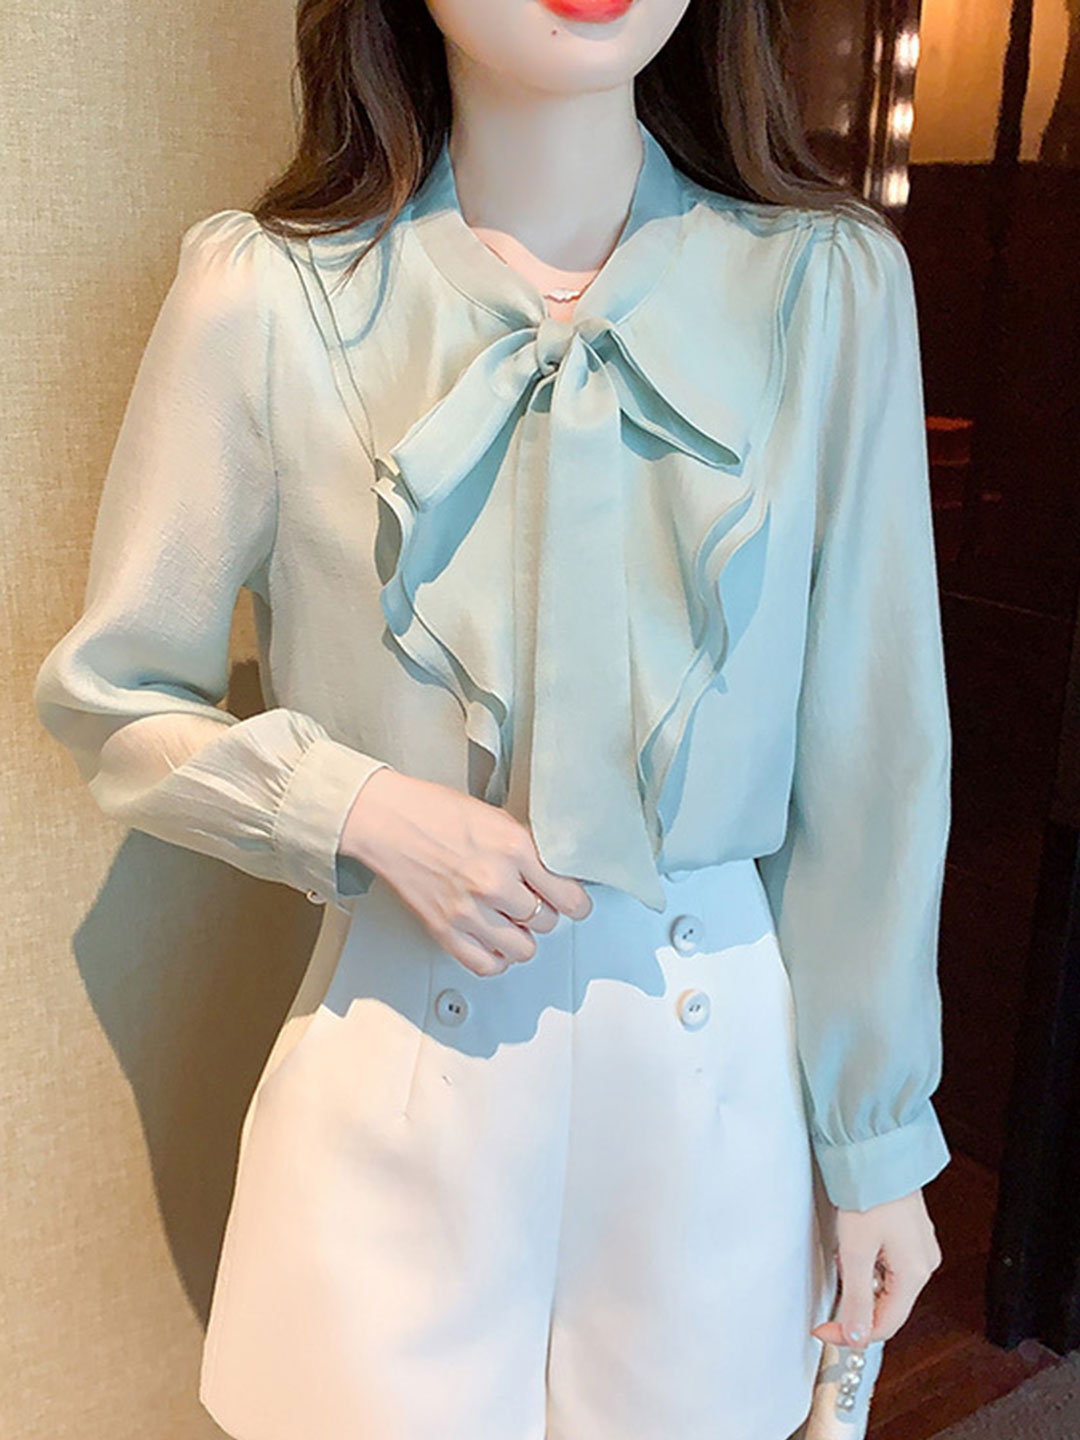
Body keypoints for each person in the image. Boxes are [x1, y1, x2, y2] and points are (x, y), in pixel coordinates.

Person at [32, 0, 950, 1436]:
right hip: (402, 1065)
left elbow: (873, 756)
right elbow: (113, 701)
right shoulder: (265, 296)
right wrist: (358, 807)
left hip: (715, 1092)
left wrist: (874, 1138)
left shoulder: (828, 293)